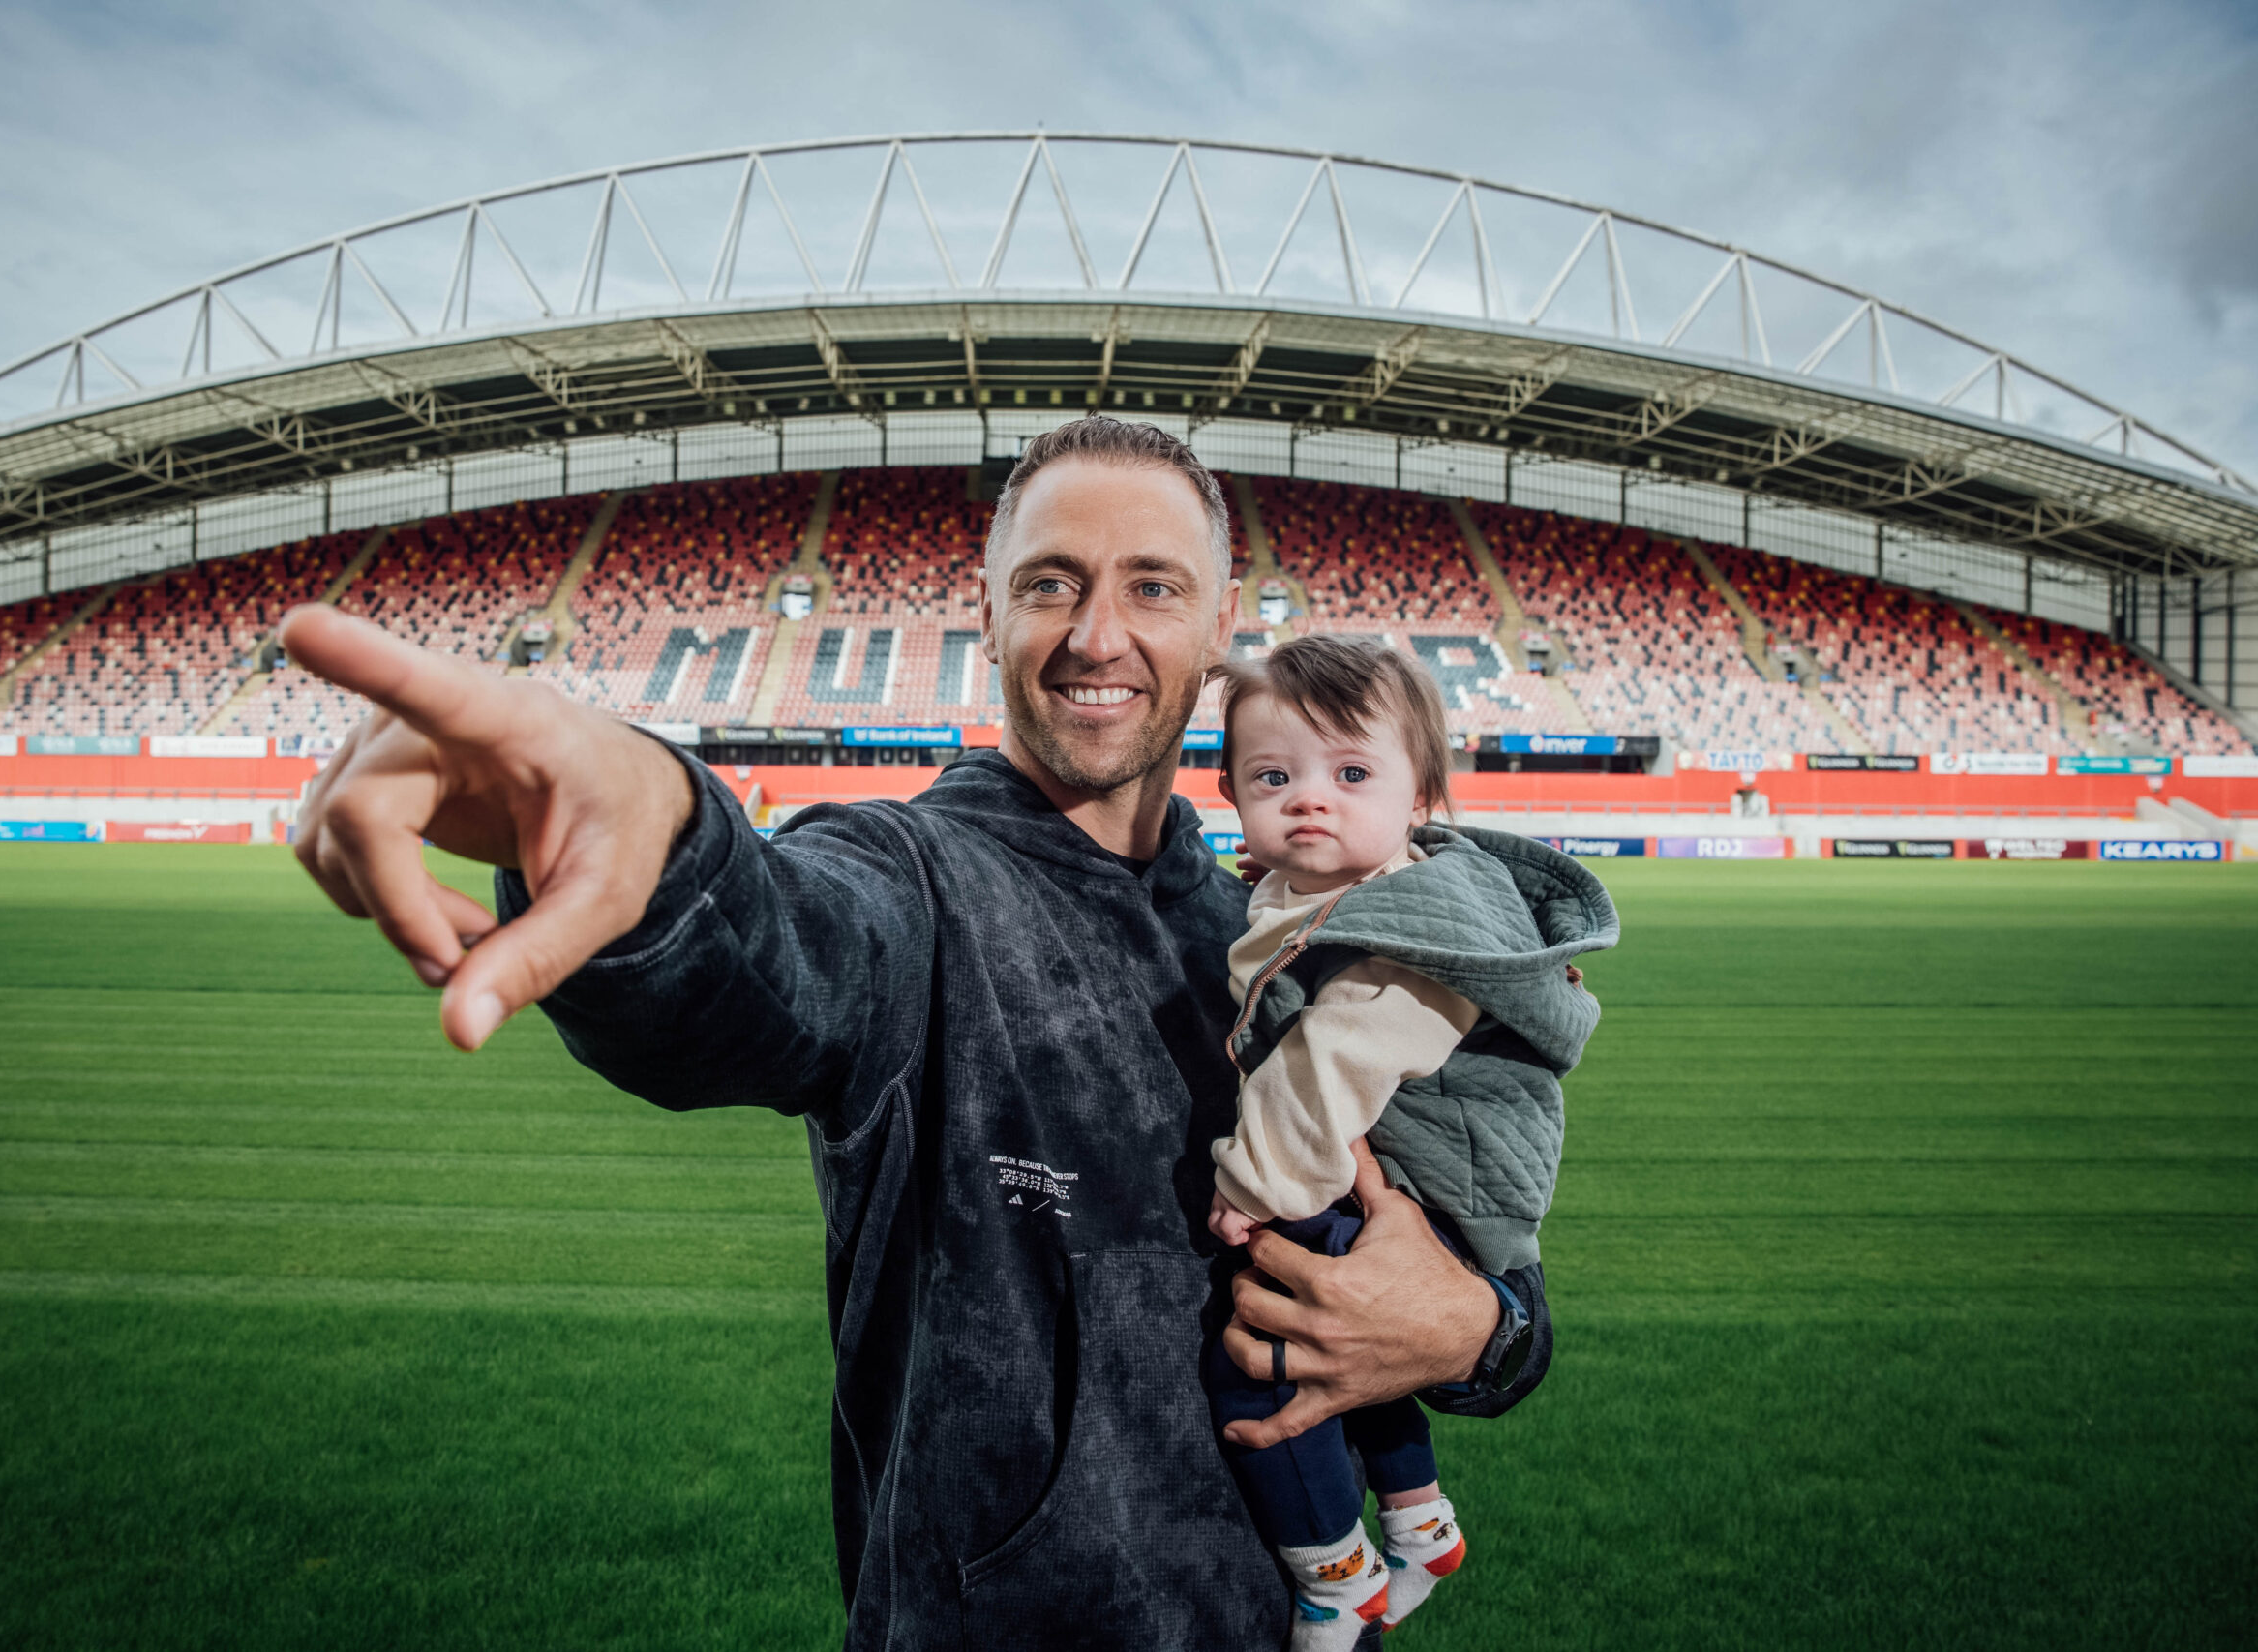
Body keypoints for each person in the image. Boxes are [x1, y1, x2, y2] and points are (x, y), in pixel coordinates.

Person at [277, 417, 1512, 1651]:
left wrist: (1476, 1330)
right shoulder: (905, 878)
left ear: (1215, 623)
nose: (1096, 635)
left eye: (1151, 587)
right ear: (986, 612)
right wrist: (639, 812)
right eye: (1049, 584)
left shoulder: (1274, 924)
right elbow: (762, 962)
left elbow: (1481, 1227)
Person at [1195, 636, 1616, 1649]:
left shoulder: (1408, 935)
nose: (1308, 798)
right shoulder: (1329, 887)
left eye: (1349, 775)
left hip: (1435, 1178)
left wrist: (1248, 1189)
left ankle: (1333, 1575)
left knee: (1264, 1363)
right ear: (1230, 792)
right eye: (1273, 777)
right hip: (1431, 1174)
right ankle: (1420, 1518)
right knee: (1352, 1348)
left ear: (1420, 795)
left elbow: (1326, 1067)